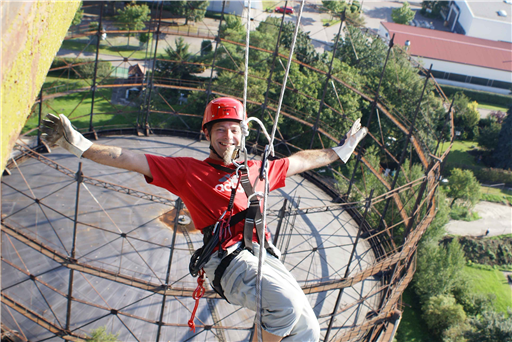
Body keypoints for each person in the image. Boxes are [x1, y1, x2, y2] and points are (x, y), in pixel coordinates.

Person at [41, 97, 368, 342]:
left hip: (265, 256)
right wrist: (79, 145)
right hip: (228, 258)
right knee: (283, 304)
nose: (228, 137)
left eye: (234, 130)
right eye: (220, 130)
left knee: (309, 330)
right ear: (208, 135)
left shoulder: (258, 171)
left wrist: (340, 152)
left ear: (243, 134)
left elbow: (299, 161)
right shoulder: (189, 172)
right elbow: (130, 158)